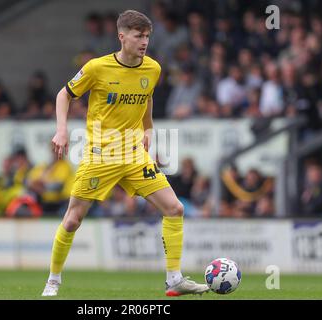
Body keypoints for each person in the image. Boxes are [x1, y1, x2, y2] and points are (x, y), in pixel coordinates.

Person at [42, 10, 209, 297]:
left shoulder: (153, 69)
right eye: (138, 35)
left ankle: (174, 279)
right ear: (122, 37)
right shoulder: (96, 67)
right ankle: (53, 280)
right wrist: (61, 130)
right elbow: (64, 95)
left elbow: (147, 98)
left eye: (146, 36)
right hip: (100, 155)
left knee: (175, 208)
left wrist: (148, 129)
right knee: (72, 220)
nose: (144, 41)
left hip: (133, 154)